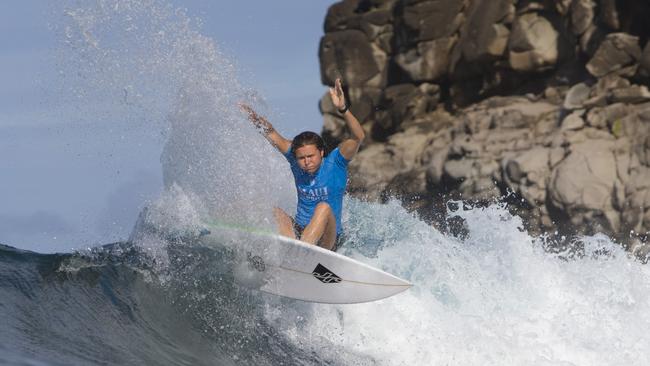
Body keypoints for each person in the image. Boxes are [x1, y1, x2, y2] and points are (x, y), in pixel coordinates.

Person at [240, 78, 365, 251]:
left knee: (323, 207)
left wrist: (343, 108)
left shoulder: (336, 162)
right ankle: (289, 251)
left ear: (321, 152)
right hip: (299, 233)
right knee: (274, 211)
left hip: (328, 239)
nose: (306, 162)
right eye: (301, 158)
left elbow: (358, 137)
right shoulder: (294, 159)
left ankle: (300, 252)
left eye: (311, 156)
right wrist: (252, 116)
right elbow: (271, 132)